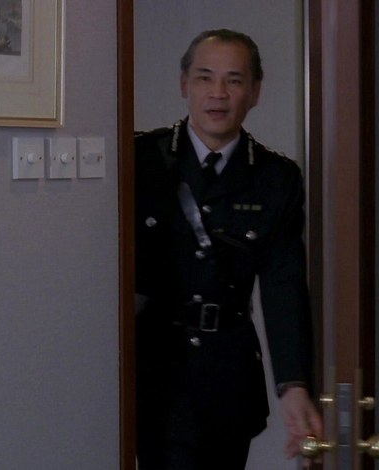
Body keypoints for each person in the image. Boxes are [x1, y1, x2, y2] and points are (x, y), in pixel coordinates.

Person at [134, 29, 323, 469]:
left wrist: (293, 385)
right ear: (184, 84)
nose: (218, 93)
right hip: (152, 371)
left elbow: (283, 286)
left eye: (234, 80)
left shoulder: (275, 178)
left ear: (254, 92)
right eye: (205, 78)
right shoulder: (140, 159)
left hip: (226, 379)